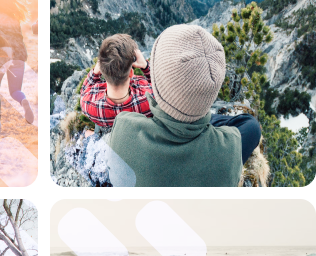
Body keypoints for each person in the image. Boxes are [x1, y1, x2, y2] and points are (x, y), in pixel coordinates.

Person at [107, 24, 262, 187]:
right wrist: (196, 114)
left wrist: (146, 69)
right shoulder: (228, 153)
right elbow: (251, 127)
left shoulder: (125, 129)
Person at [80, 34, 153, 136]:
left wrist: (95, 72)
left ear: (103, 71)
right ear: (131, 73)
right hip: (138, 139)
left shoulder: (88, 104)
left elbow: (84, 89)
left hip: (109, 137)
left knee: (88, 133)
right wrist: (145, 66)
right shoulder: (149, 100)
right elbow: (161, 88)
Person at [0, 0, 35, 129]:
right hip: (19, 56)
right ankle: (23, 100)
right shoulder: (15, 19)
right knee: (15, 91)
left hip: (0, 57)